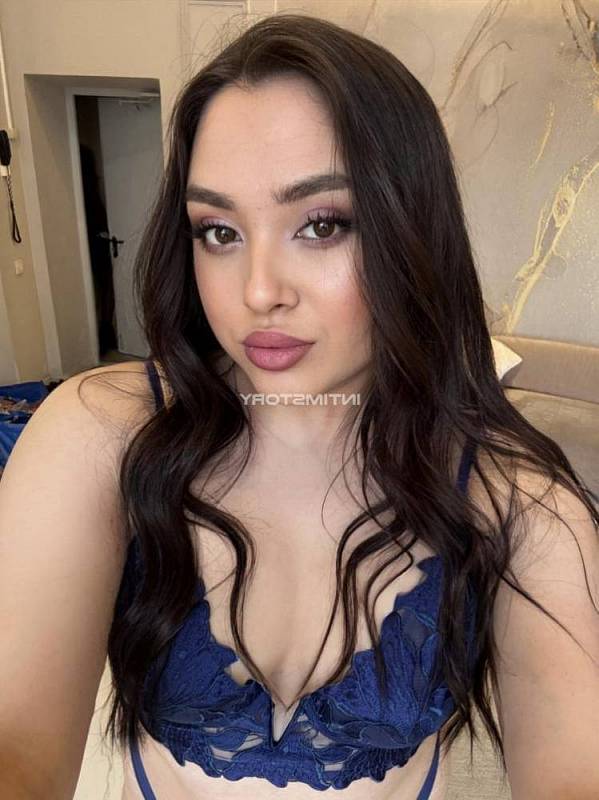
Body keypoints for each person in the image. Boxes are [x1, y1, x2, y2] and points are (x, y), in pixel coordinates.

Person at [1, 12, 598, 800]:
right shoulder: (98, 433)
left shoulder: (516, 502)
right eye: (218, 231)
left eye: (320, 224)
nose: (257, 292)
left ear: (411, 229)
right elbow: (16, 739)